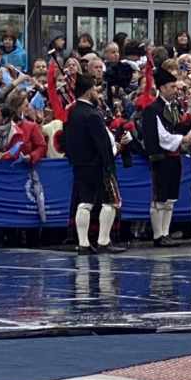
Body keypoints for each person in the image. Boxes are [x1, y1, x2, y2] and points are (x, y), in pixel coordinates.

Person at [63, 73, 125, 255]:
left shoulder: (72, 113)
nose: (97, 93)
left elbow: (66, 141)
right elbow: (103, 144)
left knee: (85, 202)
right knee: (111, 201)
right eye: (94, 90)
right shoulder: (91, 114)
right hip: (98, 165)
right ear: (88, 91)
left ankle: (83, 243)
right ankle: (103, 241)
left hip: (79, 165)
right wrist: (109, 165)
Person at [142, 68, 191, 248]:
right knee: (160, 197)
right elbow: (161, 135)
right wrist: (182, 138)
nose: (175, 90)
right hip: (161, 158)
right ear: (162, 88)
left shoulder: (173, 107)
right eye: (172, 86)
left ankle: (166, 233)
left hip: (174, 157)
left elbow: (175, 128)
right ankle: (158, 235)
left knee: (171, 197)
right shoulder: (152, 109)